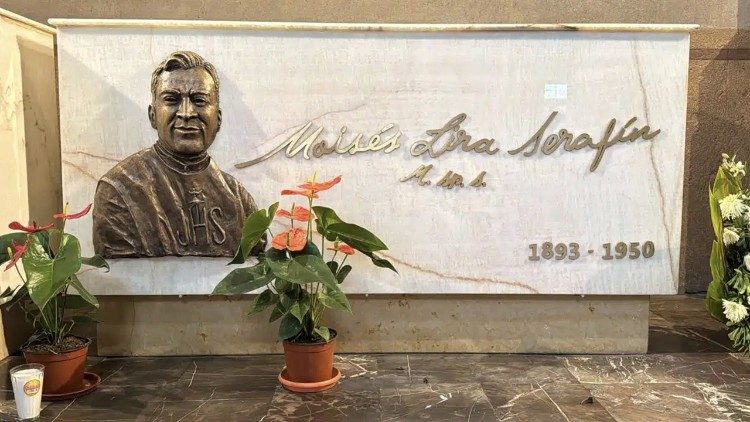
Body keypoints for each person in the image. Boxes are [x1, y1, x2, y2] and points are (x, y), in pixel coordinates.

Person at [93, 51, 260, 258]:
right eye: (172, 100)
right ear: (153, 115)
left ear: (218, 119)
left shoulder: (240, 200)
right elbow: (123, 281)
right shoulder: (120, 189)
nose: (187, 113)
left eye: (199, 100)